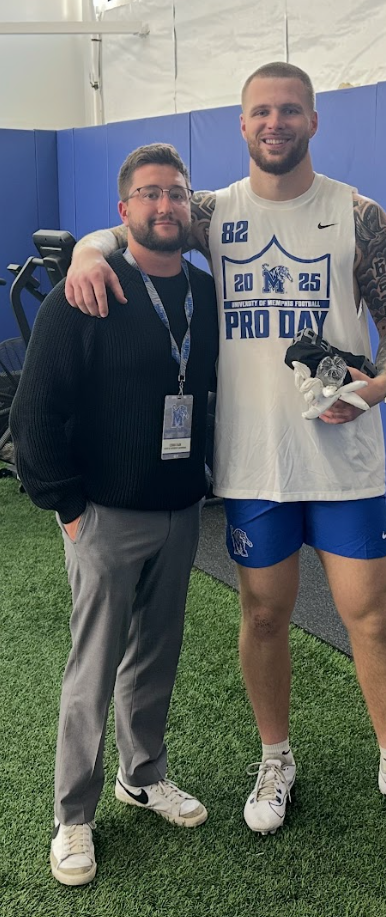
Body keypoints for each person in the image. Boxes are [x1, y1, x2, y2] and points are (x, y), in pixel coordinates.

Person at [64, 62, 386, 841]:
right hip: (252, 462)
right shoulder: (213, 212)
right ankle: (275, 758)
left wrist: (372, 390)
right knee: (265, 616)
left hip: (343, 463)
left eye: (288, 111)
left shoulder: (357, 213)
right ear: (240, 126)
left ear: (312, 120)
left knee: (370, 616)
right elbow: (135, 222)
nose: (273, 124)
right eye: (259, 113)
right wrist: (84, 250)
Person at [10, 142, 219, 886]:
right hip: (102, 513)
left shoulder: (204, 288)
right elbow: (35, 410)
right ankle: (73, 814)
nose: (166, 206)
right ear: (124, 209)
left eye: (178, 195)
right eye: (150, 194)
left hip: (178, 510)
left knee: (155, 656)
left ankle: (144, 772)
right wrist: (66, 506)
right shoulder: (88, 289)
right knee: (92, 667)